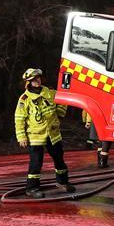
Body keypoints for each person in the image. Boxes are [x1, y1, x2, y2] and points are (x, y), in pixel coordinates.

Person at [14, 68, 75, 198]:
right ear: (28, 82)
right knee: (36, 163)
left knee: (59, 159)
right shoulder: (24, 99)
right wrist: (21, 137)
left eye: (38, 78)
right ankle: (32, 188)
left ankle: (63, 182)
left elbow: (63, 101)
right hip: (35, 136)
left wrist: (60, 113)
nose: (37, 81)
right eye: (33, 79)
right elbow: (19, 119)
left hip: (53, 134)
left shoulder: (50, 92)